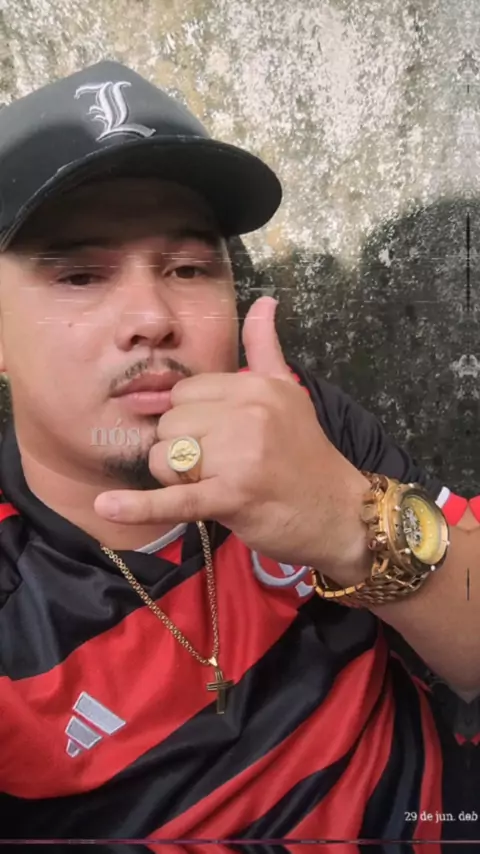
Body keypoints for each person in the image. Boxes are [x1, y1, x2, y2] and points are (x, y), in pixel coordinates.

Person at [0, 60, 477, 849]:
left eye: (189, 269)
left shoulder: (298, 420)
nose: (151, 316)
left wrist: (351, 524)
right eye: (80, 276)